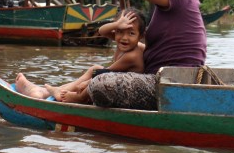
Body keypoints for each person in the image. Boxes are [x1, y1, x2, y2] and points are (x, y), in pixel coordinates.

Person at [86, 0, 207, 110]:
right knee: (98, 71)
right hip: (161, 81)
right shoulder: (163, 7)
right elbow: (159, 49)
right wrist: (129, 44)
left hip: (172, 84)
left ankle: (66, 98)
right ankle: (52, 93)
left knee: (102, 82)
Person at [15, 7, 146, 103]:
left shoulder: (132, 55)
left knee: (95, 72)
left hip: (120, 91)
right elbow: (102, 31)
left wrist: (85, 84)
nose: (124, 38)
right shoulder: (124, 41)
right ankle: (46, 91)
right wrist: (117, 24)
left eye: (131, 33)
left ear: (140, 36)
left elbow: (106, 73)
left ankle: (60, 94)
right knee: (94, 69)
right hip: (111, 80)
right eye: (120, 31)